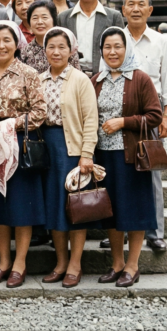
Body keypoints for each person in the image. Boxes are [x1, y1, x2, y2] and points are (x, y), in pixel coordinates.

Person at [0, 20, 47, 288]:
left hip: (20, 144)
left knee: (20, 206)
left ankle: (20, 263)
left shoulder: (28, 74)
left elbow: (40, 112)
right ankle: (3, 262)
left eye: (7, 40)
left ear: (16, 44)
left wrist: (11, 125)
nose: (1, 45)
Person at [91, 27, 163, 288]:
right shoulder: (96, 80)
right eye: (107, 47)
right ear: (101, 51)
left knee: (134, 210)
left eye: (117, 46)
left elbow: (154, 115)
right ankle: (117, 263)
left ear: (127, 49)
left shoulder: (140, 79)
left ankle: (133, 265)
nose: (112, 52)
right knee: (111, 211)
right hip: (104, 156)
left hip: (132, 156)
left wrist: (123, 122)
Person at [38, 27, 98, 288]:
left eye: (62, 46)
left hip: (70, 149)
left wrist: (87, 153)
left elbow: (91, 120)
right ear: (44, 50)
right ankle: (60, 262)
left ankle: (75, 264)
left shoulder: (80, 79)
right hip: (46, 150)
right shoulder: (38, 79)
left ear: (71, 50)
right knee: (54, 207)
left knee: (75, 208)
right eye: (51, 46)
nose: (56, 51)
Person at [118, 0, 167, 252]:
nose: (136, 9)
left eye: (142, 4)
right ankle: (122, 229)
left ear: (150, 10)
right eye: (131, 4)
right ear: (123, 9)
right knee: (121, 172)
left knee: (151, 172)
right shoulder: (117, 38)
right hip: (120, 111)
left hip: (151, 112)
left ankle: (155, 231)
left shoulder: (162, 41)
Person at [56, 0, 125, 75]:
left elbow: (121, 50)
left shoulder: (113, 17)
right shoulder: (63, 18)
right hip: (72, 76)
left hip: (104, 76)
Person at [20, 0, 79, 74]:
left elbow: (78, 76)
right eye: (35, 18)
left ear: (54, 20)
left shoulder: (66, 46)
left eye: (44, 17)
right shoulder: (25, 52)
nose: (40, 22)